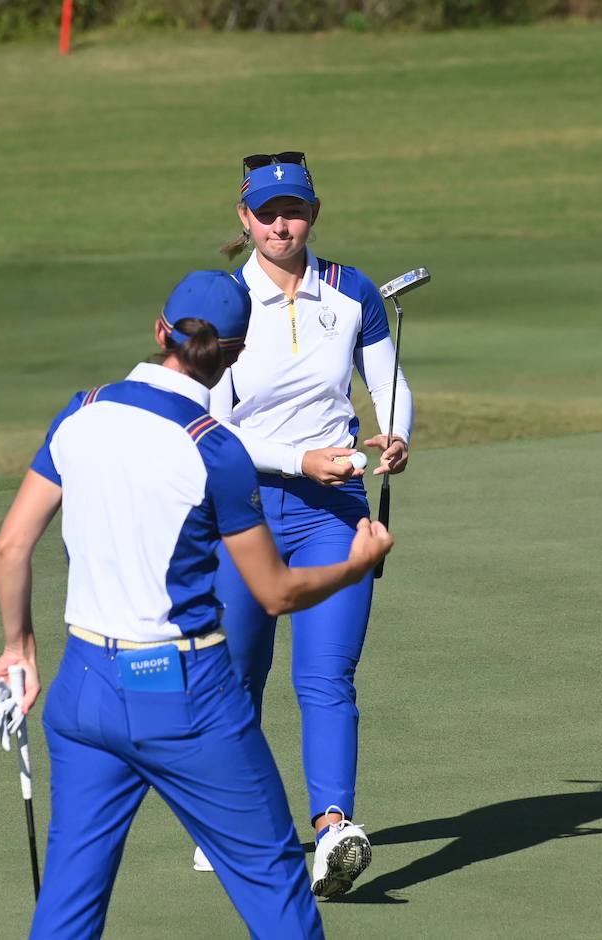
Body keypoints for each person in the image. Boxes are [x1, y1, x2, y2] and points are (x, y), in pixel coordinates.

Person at [0, 269, 393, 938]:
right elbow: (276, 591)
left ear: (159, 331)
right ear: (236, 353)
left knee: (69, 901)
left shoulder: (81, 410)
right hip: (182, 692)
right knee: (276, 887)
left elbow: (10, 547)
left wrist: (17, 650)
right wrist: (354, 564)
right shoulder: (215, 449)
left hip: (82, 688)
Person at [188, 152, 414, 899]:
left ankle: (333, 829)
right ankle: (230, 823)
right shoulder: (222, 302)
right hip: (241, 511)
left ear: (313, 214)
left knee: (326, 676)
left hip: (335, 511)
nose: (281, 226)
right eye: (267, 214)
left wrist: (396, 433)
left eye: (294, 212)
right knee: (236, 678)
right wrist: (297, 460)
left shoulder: (352, 292)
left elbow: (387, 381)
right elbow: (208, 424)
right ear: (244, 217)